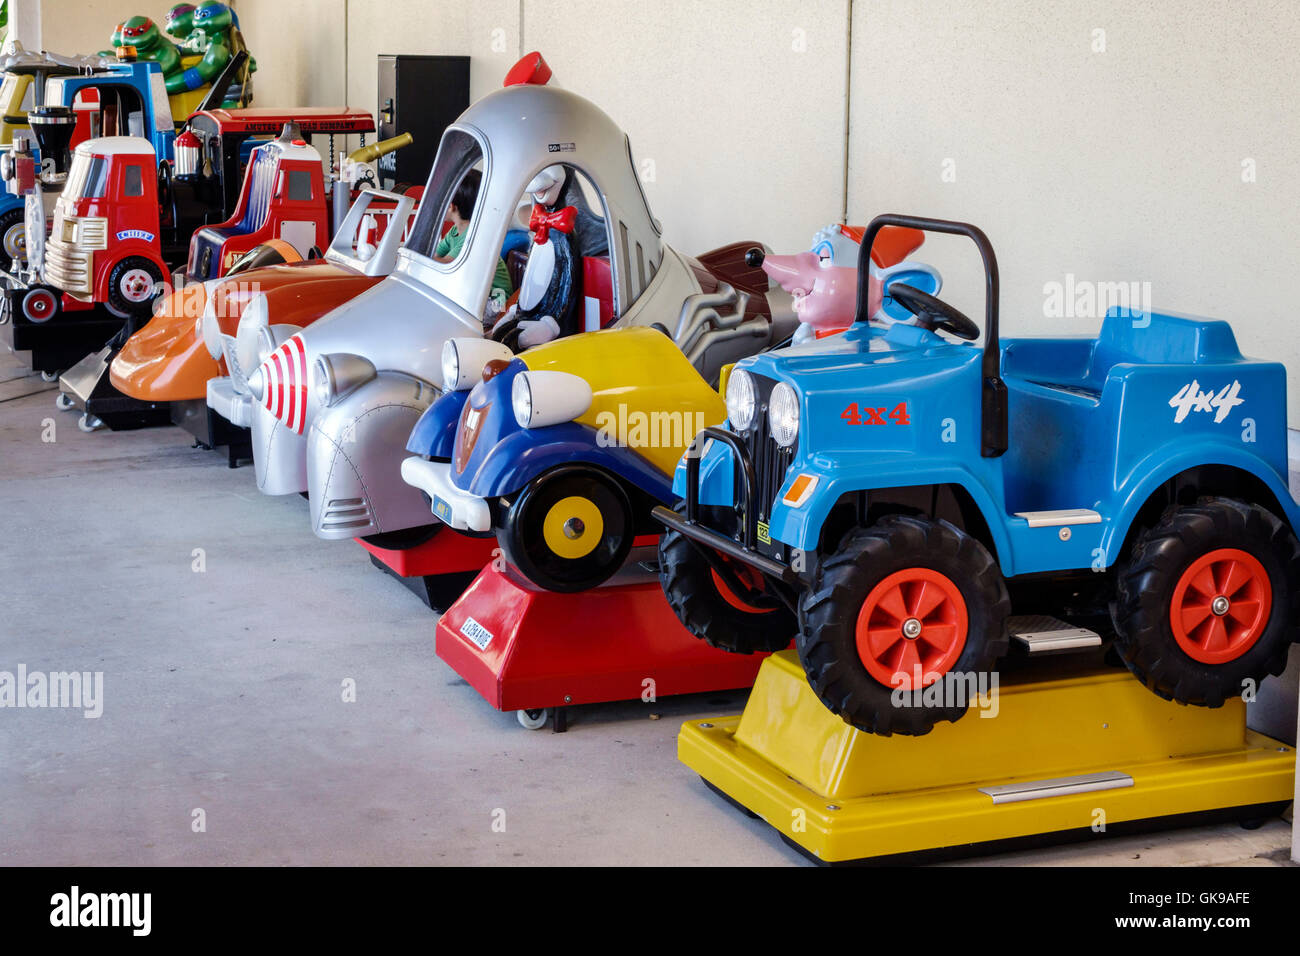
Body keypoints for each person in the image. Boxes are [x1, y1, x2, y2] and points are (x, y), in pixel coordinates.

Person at [436, 168, 512, 314]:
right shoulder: (454, 231)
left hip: (497, 300)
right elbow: (435, 254)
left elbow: (445, 262)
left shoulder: (473, 235)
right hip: (480, 294)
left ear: (451, 206)